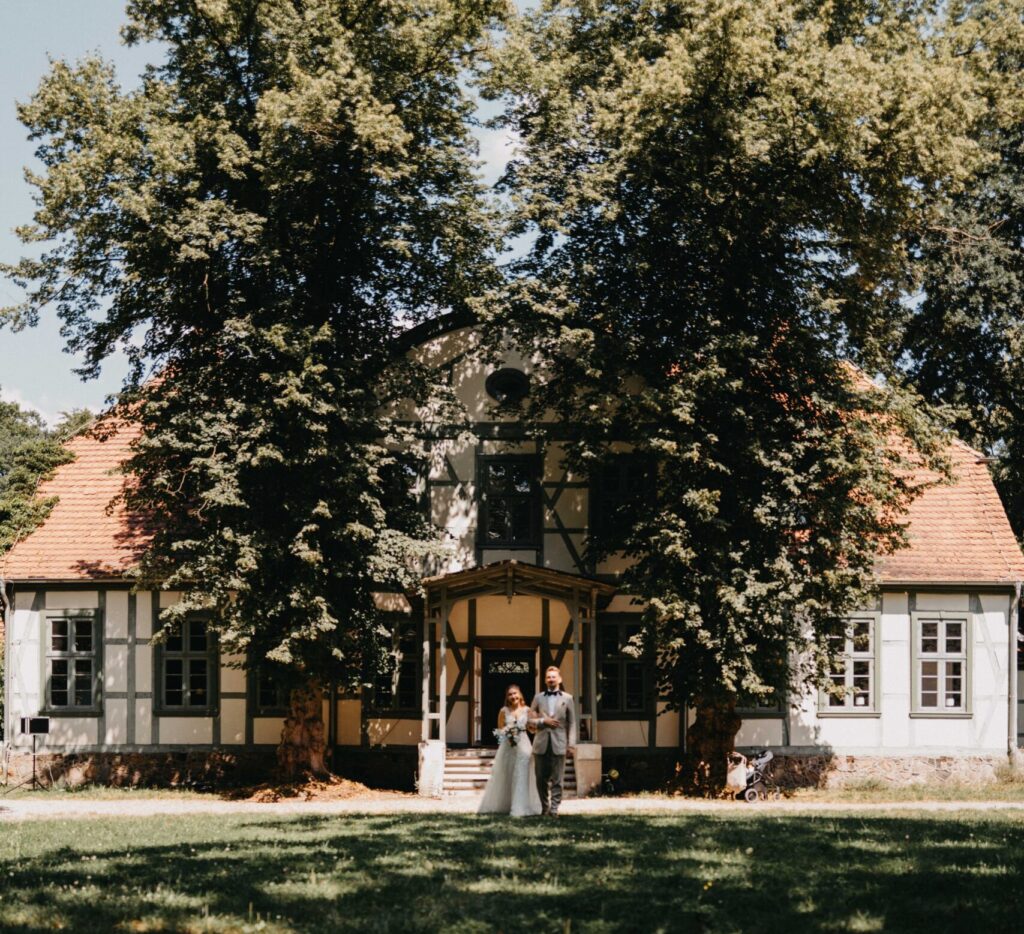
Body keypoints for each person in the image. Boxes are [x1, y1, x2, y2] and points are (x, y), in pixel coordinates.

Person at [477, 683, 543, 817]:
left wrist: (534, 725)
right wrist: (508, 733)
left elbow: (532, 729)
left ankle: (521, 807)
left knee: (522, 774)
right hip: (508, 747)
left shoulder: (527, 710)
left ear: (520, 695)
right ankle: (505, 805)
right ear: (507, 698)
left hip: (524, 746)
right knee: (506, 775)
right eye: (510, 694)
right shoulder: (503, 711)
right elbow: (500, 729)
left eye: (515, 693)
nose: (513, 696)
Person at [529, 665, 576, 817]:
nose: (551, 679)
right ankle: (544, 807)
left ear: (559, 679)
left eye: (553, 677)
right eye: (548, 677)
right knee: (540, 779)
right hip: (541, 743)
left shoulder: (568, 698)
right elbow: (528, 719)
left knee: (557, 779)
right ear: (545, 680)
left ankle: (554, 809)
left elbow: (573, 722)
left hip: (560, 743)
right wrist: (543, 721)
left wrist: (572, 744)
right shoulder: (538, 697)